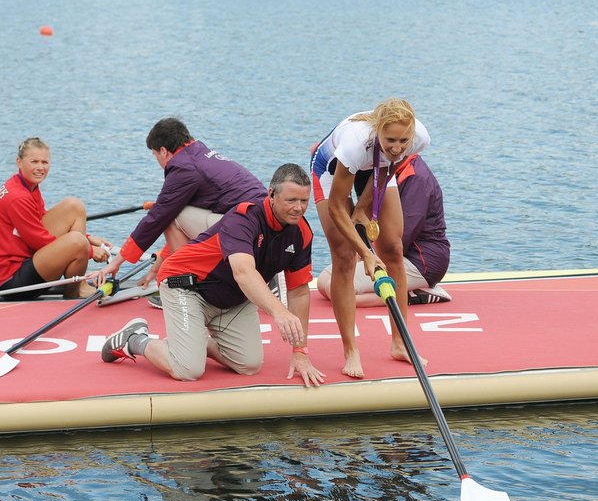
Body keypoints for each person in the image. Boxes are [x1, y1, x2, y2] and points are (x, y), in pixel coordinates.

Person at [97, 164, 326, 388]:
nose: (298, 208)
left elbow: (298, 292)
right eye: (291, 200)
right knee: (188, 370)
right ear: (271, 195)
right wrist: (279, 312)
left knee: (249, 364)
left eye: (304, 201)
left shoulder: (302, 232)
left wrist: (300, 351)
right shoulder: (244, 218)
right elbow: (243, 272)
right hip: (187, 286)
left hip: (231, 298)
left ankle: (193, 343)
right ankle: (134, 339)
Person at [310, 98, 430, 378]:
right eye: (390, 139)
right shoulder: (355, 143)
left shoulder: (418, 137)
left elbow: (391, 164)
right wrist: (366, 253)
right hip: (330, 170)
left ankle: (401, 343)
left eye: (403, 140)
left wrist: (364, 207)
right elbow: (338, 206)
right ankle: (351, 350)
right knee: (344, 256)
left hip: (376, 168)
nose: (398, 147)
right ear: (377, 131)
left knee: (392, 249)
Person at [90, 117, 267, 290]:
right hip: (261, 223)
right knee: (175, 211)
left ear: (163, 151)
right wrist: (156, 268)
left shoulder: (184, 168)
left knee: (171, 214)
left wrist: (115, 263)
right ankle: (193, 273)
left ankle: (188, 285)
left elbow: (157, 220)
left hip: (248, 230)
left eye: (155, 155)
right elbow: (179, 224)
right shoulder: (199, 152)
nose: (157, 161)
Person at [0, 137, 111, 300]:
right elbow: (40, 241)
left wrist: (89, 239)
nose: (40, 168)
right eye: (34, 162)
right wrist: (90, 251)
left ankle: (77, 283)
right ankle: (74, 289)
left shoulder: (25, 185)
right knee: (77, 241)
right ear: (19, 162)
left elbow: (39, 220)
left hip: (22, 260)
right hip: (10, 281)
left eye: (44, 162)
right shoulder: (18, 197)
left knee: (74, 206)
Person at [317, 154, 451, 307]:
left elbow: (401, 237)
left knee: (338, 291)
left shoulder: (416, 177)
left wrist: (366, 256)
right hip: (394, 253)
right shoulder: (384, 170)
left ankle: (410, 296)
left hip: (422, 261)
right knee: (323, 280)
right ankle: (403, 290)